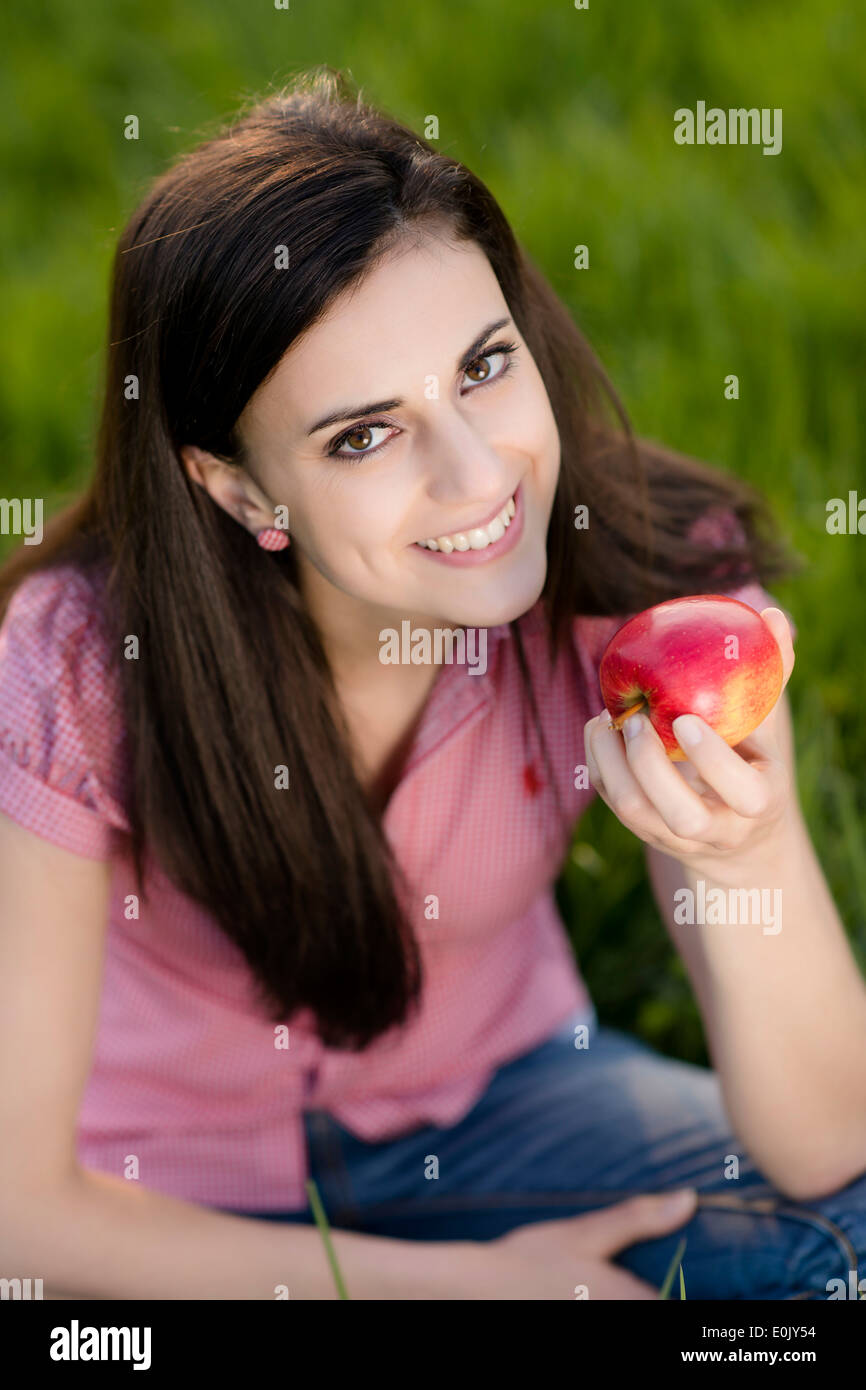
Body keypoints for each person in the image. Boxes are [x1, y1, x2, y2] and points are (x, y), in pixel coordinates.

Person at [1, 67, 864, 1302]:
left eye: (481, 366)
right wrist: (476, 1288)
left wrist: (749, 854)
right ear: (238, 488)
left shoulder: (656, 600)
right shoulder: (74, 665)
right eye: (362, 434)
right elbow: (17, 1222)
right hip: (151, 1198)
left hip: (504, 1107)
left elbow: (827, 1147)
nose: (475, 477)